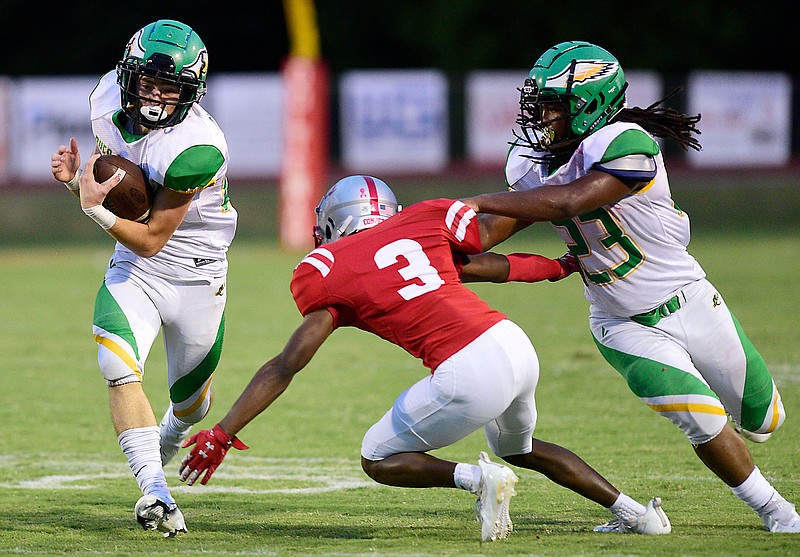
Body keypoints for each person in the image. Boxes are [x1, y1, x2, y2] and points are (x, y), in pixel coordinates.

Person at [177, 174, 672, 542]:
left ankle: (478, 479)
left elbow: (287, 363)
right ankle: (637, 514)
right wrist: (557, 266)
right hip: (513, 344)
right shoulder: (420, 221)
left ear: (334, 221)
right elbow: (486, 266)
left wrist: (224, 433)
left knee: (377, 457)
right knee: (520, 448)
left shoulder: (325, 268)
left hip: (470, 368)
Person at [460, 40, 799, 533]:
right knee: (701, 419)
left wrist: (474, 199)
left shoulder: (625, 142)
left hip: (688, 300)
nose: (544, 116)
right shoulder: (532, 163)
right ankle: (779, 513)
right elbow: (490, 231)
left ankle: (752, 438)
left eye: (555, 104)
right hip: (619, 322)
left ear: (592, 103)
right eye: (540, 104)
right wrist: (427, 242)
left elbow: (569, 202)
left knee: (765, 420)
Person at [50, 20, 236, 537]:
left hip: (197, 267)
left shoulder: (198, 146)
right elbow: (120, 194)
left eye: (170, 86)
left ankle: (171, 432)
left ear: (191, 93)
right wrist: (79, 185)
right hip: (137, 268)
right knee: (117, 363)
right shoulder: (105, 100)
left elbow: (155, 233)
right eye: (148, 81)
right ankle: (155, 491)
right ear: (126, 74)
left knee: (192, 402)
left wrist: (93, 210)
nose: (155, 94)